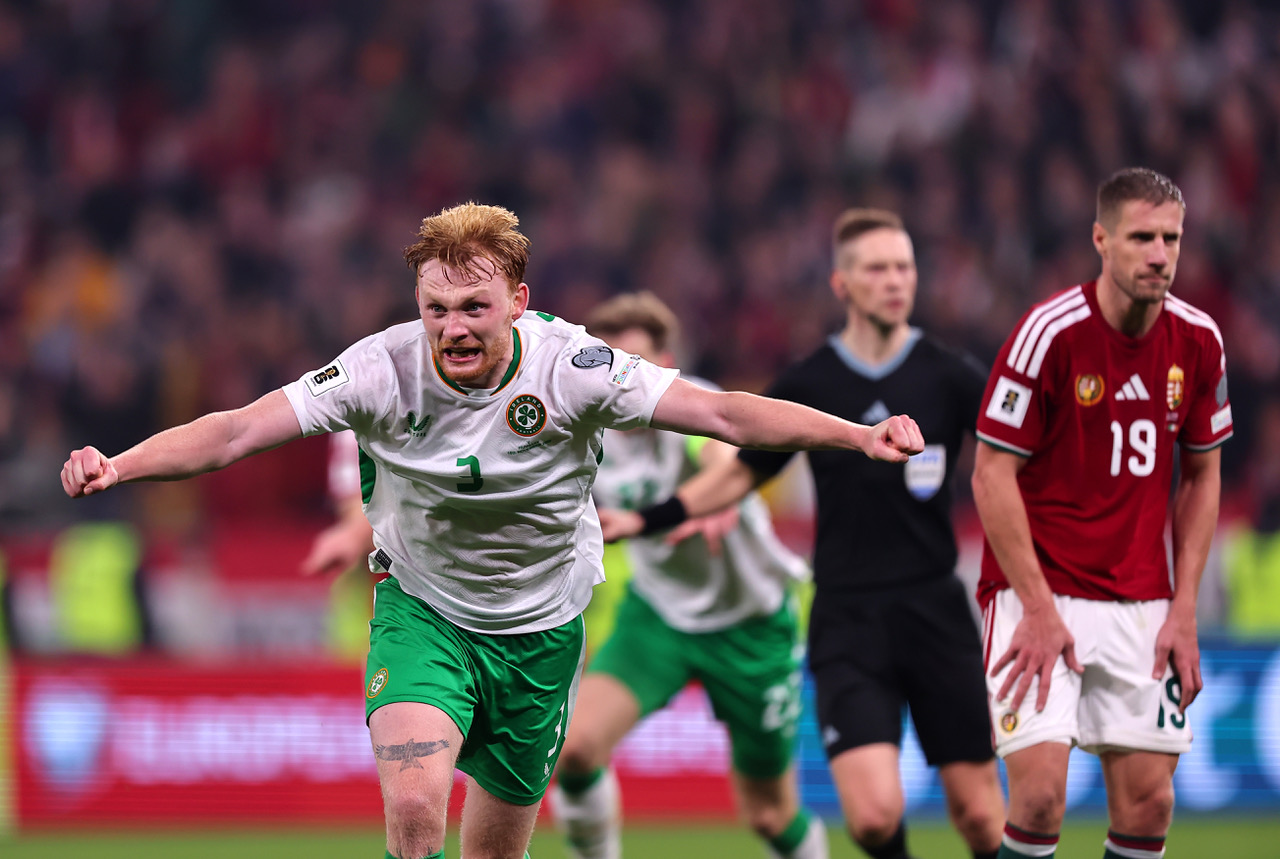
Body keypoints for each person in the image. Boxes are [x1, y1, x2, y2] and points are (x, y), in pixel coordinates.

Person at [60, 202, 924, 859]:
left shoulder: (575, 367)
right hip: (424, 612)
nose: (452, 328)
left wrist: (856, 436)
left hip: (542, 636)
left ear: (518, 299)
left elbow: (724, 411)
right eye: (435, 309)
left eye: (474, 306)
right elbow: (238, 430)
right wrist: (121, 463)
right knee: (413, 806)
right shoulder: (377, 368)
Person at [601, 209, 1005, 859]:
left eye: (904, 266)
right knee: (873, 818)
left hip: (936, 608)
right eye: (876, 268)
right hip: (847, 614)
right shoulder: (811, 383)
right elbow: (733, 476)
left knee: (982, 816)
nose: (895, 280)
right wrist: (650, 519)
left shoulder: (951, 375)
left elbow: (1011, 465)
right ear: (842, 283)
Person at [970, 168, 1232, 859]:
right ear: (1101, 240)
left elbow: (1203, 475)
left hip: (1143, 601)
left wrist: (1183, 609)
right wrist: (1036, 605)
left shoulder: (1200, 340)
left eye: (1170, 238)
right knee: (1038, 797)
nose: (1159, 254)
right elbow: (991, 472)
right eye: (1141, 237)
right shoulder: (1048, 334)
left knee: (1150, 803)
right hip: (1039, 593)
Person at [548, 292, 827, 859]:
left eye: (637, 367)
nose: (620, 384)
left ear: (665, 364)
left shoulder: (687, 406)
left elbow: (723, 459)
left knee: (770, 815)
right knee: (574, 753)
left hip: (751, 623)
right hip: (659, 618)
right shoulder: (584, 433)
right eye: (608, 366)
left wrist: (717, 500)